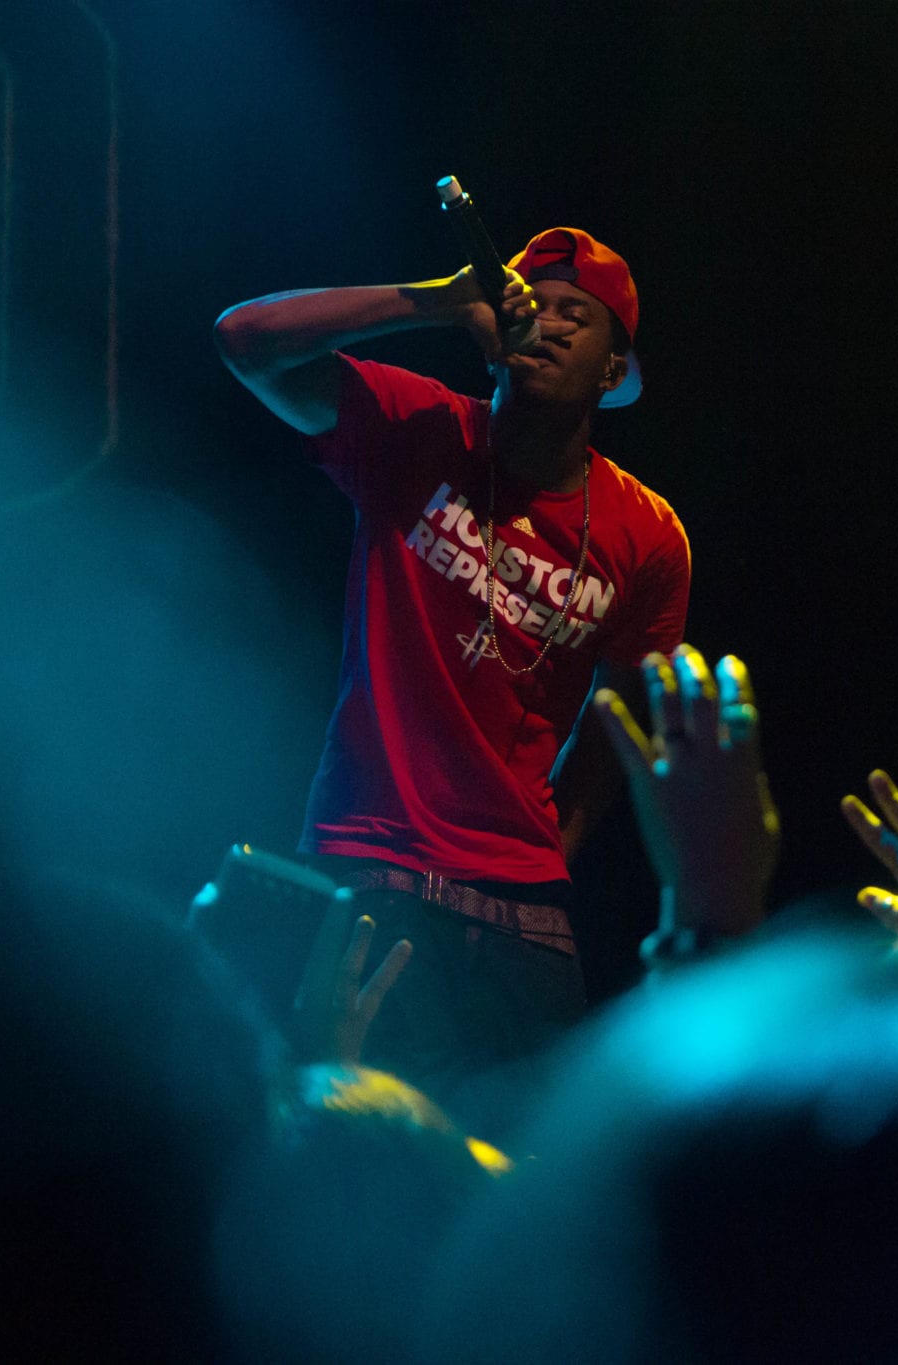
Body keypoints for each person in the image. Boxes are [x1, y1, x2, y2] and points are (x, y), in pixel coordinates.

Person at [213, 226, 691, 1104]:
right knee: (361, 1150)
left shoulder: (649, 536)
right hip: (374, 873)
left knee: (525, 1167)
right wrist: (435, 300)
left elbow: (620, 720)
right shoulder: (417, 427)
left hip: (524, 922)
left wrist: (549, 849)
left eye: (575, 315)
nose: (546, 323)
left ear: (612, 369)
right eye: (533, 304)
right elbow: (244, 339)